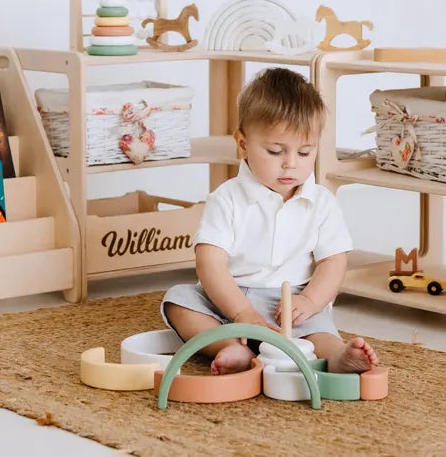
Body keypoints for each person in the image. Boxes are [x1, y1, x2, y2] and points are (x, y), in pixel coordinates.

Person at [162, 67, 378, 376]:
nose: (291, 163)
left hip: (292, 303)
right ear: (243, 144)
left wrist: (311, 299)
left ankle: (336, 355)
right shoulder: (227, 199)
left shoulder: (321, 202)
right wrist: (241, 312)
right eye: (275, 151)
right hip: (231, 297)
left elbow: (334, 261)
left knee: (318, 331)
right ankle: (227, 347)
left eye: (305, 152)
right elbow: (209, 263)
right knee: (179, 301)